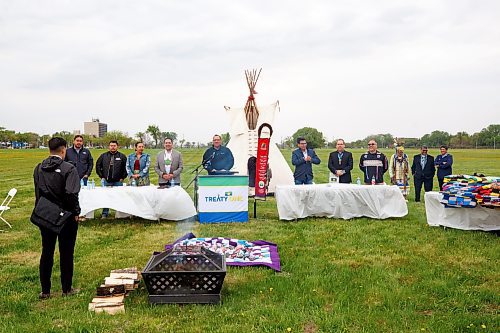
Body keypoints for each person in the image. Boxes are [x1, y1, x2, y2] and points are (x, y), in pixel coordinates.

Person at [33, 137, 80, 299]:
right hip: (65, 216)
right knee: (66, 253)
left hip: (45, 215)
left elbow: (38, 193)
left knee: (47, 251)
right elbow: (71, 194)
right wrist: (76, 212)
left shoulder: (38, 168)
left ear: (49, 150)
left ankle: (45, 290)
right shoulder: (69, 168)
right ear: (63, 150)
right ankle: (66, 288)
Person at [95, 140, 128, 218]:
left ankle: (120, 214)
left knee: (120, 197)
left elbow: (126, 168)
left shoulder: (122, 156)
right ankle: (105, 213)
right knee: (106, 197)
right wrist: (101, 176)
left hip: (118, 181)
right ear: (109, 146)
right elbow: (98, 166)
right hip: (106, 181)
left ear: (117, 146)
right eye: (111, 145)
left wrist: (122, 177)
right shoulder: (103, 156)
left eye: (114, 145)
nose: (113, 147)